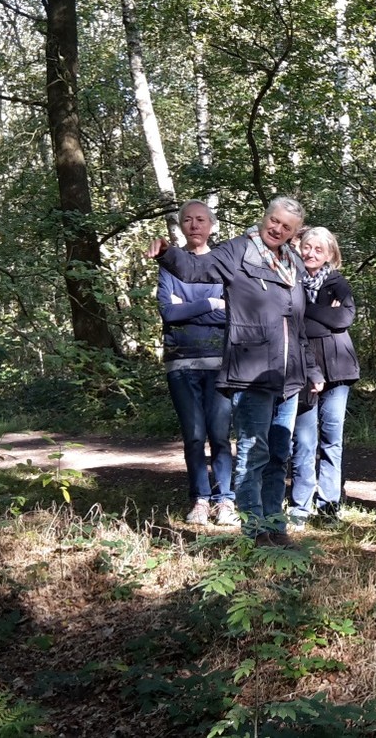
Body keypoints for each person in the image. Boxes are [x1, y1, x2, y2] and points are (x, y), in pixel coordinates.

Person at [148, 197, 322, 547]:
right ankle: (254, 530)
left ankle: (276, 526)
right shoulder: (238, 250)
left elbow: (298, 325)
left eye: (286, 227)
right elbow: (197, 269)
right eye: (273, 220)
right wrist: (167, 253)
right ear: (265, 217)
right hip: (251, 370)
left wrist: (312, 368)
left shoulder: (292, 262)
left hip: (288, 377)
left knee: (278, 453)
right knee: (253, 453)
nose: (277, 229)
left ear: (293, 233)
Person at [157, 200, 236, 527]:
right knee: (193, 435)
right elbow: (168, 312)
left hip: (220, 362)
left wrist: (188, 305)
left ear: (211, 225)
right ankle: (200, 500)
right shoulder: (170, 263)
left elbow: (231, 313)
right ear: (180, 226)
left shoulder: (223, 263)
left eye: (200, 220)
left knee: (219, 435)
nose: (194, 225)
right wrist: (209, 302)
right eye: (187, 220)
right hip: (181, 363)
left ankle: (226, 500)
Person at [288, 227, 360, 529]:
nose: (311, 254)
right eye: (307, 247)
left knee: (332, 438)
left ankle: (329, 504)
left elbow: (344, 318)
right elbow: (293, 320)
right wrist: (321, 315)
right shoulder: (290, 281)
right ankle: (300, 505)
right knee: (304, 439)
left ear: (330, 254)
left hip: (339, 368)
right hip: (303, 367)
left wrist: (309, 311)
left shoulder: (337, 282)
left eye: (319, 249)